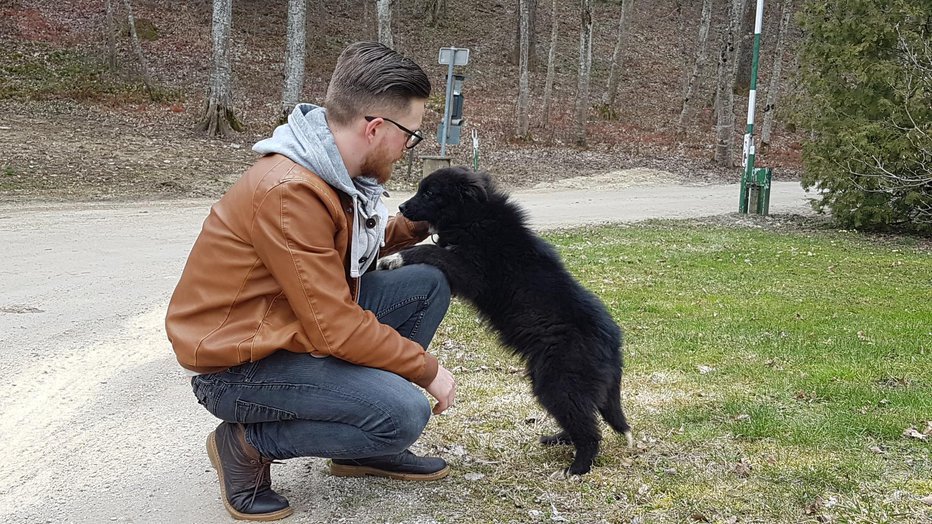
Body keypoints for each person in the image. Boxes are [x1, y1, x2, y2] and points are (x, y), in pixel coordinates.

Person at [165, 42, 456, 521]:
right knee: (404, 412)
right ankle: (246, 443)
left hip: (285, 327)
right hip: (237, 365)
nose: (409, 148)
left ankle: (361, 449)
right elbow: (334, 328)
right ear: (376, 128)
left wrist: (419, 226)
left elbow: (347, 244)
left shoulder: (332, 173)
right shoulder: (290, 192)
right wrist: (424, 368)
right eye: (412, 136)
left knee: (427, 284)